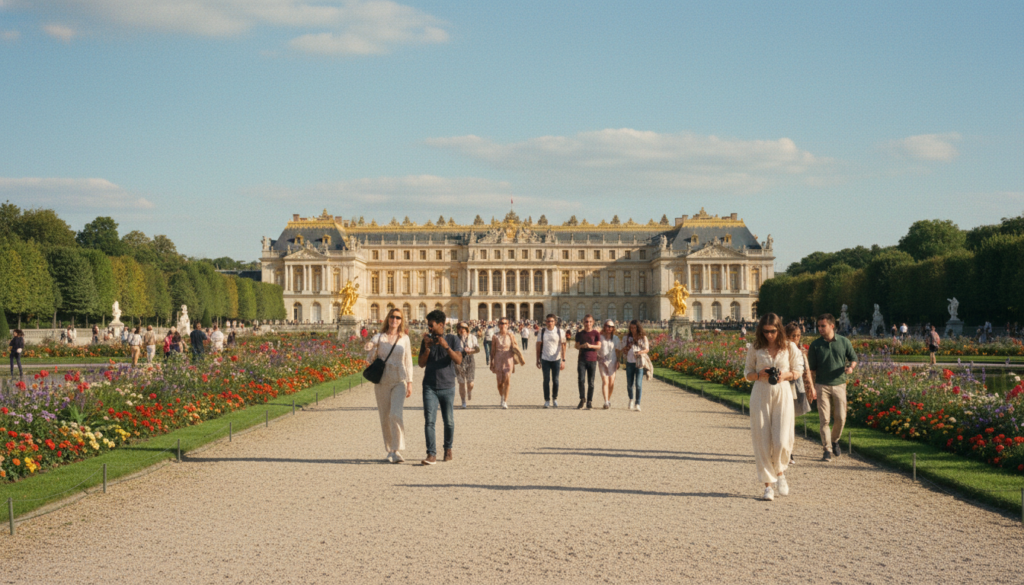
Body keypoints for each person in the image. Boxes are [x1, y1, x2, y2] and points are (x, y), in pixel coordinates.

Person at [744, 313, 802, 501]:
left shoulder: (790, 347)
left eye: (773, 331)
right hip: (761, 393)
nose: (769, 335)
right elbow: (747, 373)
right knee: (762, 441)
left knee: (782, 440)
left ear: (779, 329)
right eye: (765, 331)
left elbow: (798, 370)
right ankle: (768, 486)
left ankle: (780, 471)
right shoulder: (755, 347)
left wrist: (784, 375)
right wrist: (759, 374)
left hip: (782, 393)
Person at [807, 313, 859, 462]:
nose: (820, 329)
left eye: (823, 326)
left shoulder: (843, 341)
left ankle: (835, 440)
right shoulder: (815, 345)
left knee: (841, 417)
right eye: (818, 326)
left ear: (832, 326)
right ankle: (827, 449)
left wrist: (851, 368)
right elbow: (811, 369)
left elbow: (853, 358)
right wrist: (812, 387)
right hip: (821, 385)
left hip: (839, 384)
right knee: (824, 419)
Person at [366, 308, 413, 464]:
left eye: (398, 317)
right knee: (385, 416)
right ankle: (390, 450)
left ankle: (397, 449)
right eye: (392, 317)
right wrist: (370, 349)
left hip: (399, 379)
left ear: (401, 320)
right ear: (388, 318)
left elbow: (408, 361)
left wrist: (410, 382)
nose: (395, 320)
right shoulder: (379, 337)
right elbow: (370, 355)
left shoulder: (405, 338)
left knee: (395, 414)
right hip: (382, 380)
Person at [418, 310, 462, 465]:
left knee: (448, 421)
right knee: (429, 421)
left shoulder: (453, 339)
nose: (429, 328)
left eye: (431, 325)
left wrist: (446, 347)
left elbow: (458, 360)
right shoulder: (426, 340)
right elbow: (421, 363)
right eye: (428, 325)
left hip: (447, 385)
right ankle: (431, 454)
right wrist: (427, 348)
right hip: (429, 385)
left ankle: (448, 448)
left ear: (441, 324)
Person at [784, 322, 816, 465]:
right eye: (793, 336)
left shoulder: (801, 351)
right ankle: (787, 451)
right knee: (786, 421)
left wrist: (812, 388)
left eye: (798, 336)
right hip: (786, 387)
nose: (796, 338)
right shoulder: (784, 350)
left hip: (798, 388)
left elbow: (806, 371)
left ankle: (789, 451)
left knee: (791, 421)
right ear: (787, 336)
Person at [536, 314, 567, 408]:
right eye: (548, 321)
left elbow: (563, 345)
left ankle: (554, 398)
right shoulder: (542, 331)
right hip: (545, 359)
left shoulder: (560, 331)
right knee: (546, 380)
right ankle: (547, 400)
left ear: (555, 322)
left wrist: (563, 360)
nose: (550, 323)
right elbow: (538, 346)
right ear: (546, 322)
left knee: (556, 380)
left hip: (556, 359)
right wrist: (537, 359)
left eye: (552, 321)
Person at [574, 315, 601, 409]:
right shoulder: (579, 334)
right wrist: (582, 346)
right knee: (581, 380)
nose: (588, 323)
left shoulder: (596, 333)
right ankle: (582, 399)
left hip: (592, 359)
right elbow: (576, 346)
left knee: (591, 382)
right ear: (583, 322)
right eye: (586, 321)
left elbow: (599, 346)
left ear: (593, 322)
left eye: (590, 322)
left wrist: (590, 346)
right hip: (582, 359)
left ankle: (589, 401)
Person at [489, 318, 517, 409]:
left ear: (508, 325)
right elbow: (492, 350)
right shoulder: (495, 336)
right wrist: (491, 361)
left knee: (507, 380)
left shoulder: (511, 335)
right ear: (498, 325)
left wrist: (518, 357)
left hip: (508, 359)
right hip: (498, 359)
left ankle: (505, 400)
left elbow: (516, 347)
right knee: (500, 382)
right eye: (501, 323)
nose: (503, 325)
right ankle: (502, 396)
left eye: (505, 323)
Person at [623, 320, 649, 412]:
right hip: (630, 362)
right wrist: (627, 348)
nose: (632, 329)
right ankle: (631, 399)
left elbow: (647, 349)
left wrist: (640, 352)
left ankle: (637, 403)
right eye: (631, 328)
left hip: (639, 362)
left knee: (638, 384)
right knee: (630, 384)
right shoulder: (627, 337)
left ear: (638, 328)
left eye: (634, 328)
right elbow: (623, 349)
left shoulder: (643, 337)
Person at [597, 320, 621, 409]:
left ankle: (608, 399)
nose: (609, 328)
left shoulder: (616, 338)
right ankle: (606, 401)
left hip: (612, 361)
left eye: (611, 327)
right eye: (607, 326)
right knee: (605, 381)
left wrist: (618, 361)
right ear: (604, 326)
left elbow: (618, 351)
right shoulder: (600, 337)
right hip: (602, 362)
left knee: (611, 382)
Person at [455, 322, 480, 409]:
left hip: (470, 360)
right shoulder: (455, 339)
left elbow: (477, 349)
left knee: (471, 383)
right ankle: (463, 401)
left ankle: (469, 390)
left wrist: (471, 350)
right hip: (459, 361)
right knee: (461, 383)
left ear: (467, 329)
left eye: (463, 328)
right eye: (459, 328)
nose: (461, 330)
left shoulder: (472, 337)